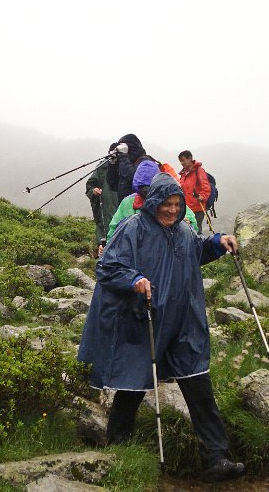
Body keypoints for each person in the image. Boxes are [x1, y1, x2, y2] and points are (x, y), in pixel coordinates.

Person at [78, 172, 246, 483]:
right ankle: (118, 449)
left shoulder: (183, 230)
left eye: (177, 204)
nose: (171, 209)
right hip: (142, 322)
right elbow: (107, 267)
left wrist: (217, 242)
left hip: (182, 322)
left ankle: (216, 458)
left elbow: (196, 250)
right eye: (166, 204)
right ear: (153, 202)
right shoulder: (133, 228)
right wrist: (134, 279)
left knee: (198, 383)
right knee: (133, 385)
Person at [106, 159, 196, 241]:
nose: (147, 193)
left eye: (150, 189)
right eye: (143, 189)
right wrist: (108, 247)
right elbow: (114, 231)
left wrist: (188, 223)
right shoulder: (128, 202)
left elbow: (191, 221)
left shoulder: (168, 198)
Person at [85, 143, 120, 256]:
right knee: (105, 230)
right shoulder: (102, 168)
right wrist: (93, 191)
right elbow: (90, 186)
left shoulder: (127, 168)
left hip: (121, 205)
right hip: (105, 206)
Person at [178, 150, 212, 233]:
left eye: (183, 160)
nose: (182, 163)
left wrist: (202, 197)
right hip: (186, 208)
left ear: (190, 158)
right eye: (180, 161)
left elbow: (206, 187)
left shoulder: (199, 171)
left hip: (197, 207)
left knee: (196, 229)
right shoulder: (183, 174)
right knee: (187, 230)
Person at [115, 134, 147, 203]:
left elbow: (133, 178)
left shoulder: (145, 162)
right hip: (124, 205)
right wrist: (112, 164)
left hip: (137, 206)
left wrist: (123, 156)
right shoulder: (125, 162)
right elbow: (113, 185)